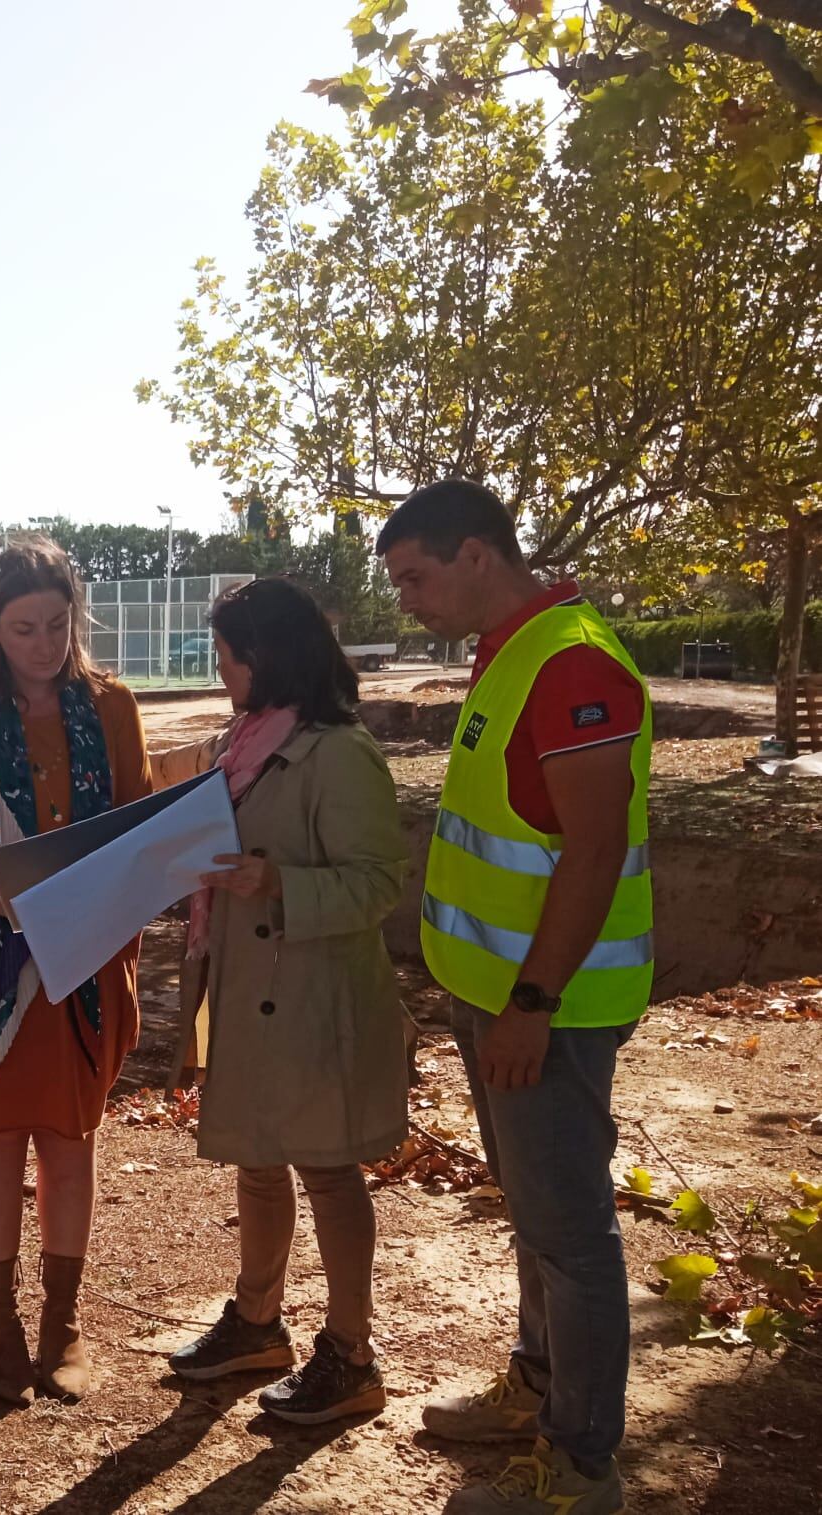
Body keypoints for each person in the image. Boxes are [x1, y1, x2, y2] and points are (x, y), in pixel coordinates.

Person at [379, 479, 651, 1515]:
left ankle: (580, 1466)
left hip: (551, 1007)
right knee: (535, 1217)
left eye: (414, 577)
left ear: (476, 556)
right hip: (496, 997)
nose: (405, 601)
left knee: (570, 1234)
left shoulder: (570, 660)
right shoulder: (509, 651)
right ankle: (536, 1393)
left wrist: (532, 1000)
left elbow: (591, 850)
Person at [151, 577, 408, 1424]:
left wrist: (279, 883)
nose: (220, 665)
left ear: (267, 656)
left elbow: (378, 884)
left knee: (326, 1169)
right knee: (258, 1159)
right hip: (247, 986)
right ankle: (258, 1320)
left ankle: (350, 1352)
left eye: (229, 651)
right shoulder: (245, 740)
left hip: (311, 994)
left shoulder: (337, 751)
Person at [0, 534, 151, 1407]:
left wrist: (85, 914)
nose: (45, 642)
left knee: (67, 1139)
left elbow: (135, 827)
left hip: (87, 960)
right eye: (24, 627)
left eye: (57, 623)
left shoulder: (114, 706)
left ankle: (62, 1319)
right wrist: (26, 908)